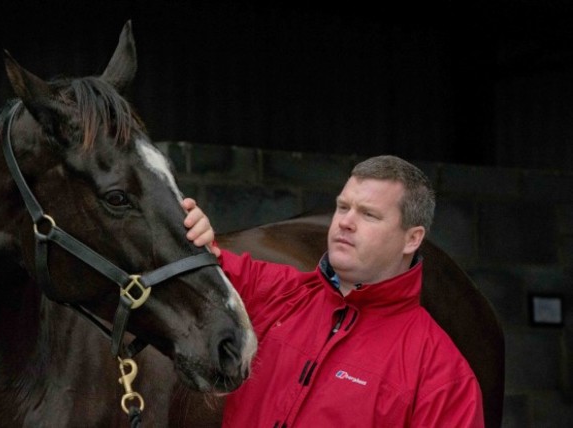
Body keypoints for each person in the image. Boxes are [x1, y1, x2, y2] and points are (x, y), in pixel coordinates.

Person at [182, 155, 484, 427]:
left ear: (412, 239)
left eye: (369, 215)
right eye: (343, 207)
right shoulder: (276, 293)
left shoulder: (441, 374)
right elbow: (197, 267)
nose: (345, 222)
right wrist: (191, 232)